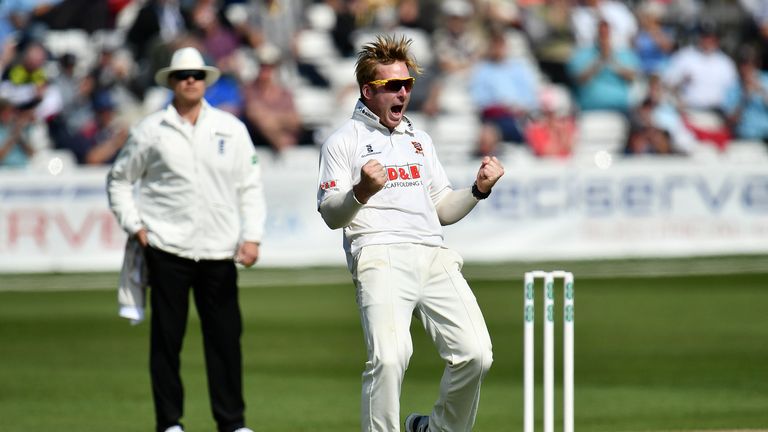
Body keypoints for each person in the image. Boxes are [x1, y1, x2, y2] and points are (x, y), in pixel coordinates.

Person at [316, 34, 504, 432]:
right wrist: (361, 192)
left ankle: (435, 430)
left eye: (407, 85)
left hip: (433, 254)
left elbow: (442, 209)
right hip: (379, 254)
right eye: (392, 86)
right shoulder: (343, 141)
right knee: (388, 357)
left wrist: (477, 190)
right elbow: (332, 215)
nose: (403, 93)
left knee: (476, 353)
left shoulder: (420, 140)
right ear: (368, 91)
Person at [106, 46, 265, 432]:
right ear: (172, 82)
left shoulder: (231, 128)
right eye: (182, 76)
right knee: (167, 340)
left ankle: (232, 422)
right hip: (167, 247)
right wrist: (136, 227)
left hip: (219, 249)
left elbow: (251, 186)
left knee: (225, 341)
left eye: (196, 74)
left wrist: (253, 237)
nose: (190, 81)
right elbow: (120, 181)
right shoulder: (150, 130)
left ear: (206, 80)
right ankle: (170, 423)